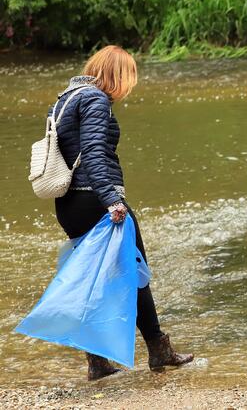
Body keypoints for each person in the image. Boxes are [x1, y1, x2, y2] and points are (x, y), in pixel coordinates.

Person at [52, 46, 193, 380]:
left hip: (68, 204)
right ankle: (158, 350)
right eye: (128, 77)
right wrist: (112, 200)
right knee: (135, 273)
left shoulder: (66, 98)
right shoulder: (96, 100)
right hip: (95, 200)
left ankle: (97, 361)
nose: (128, 87)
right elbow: (95, 154)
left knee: (96, 278)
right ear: (116, 75)